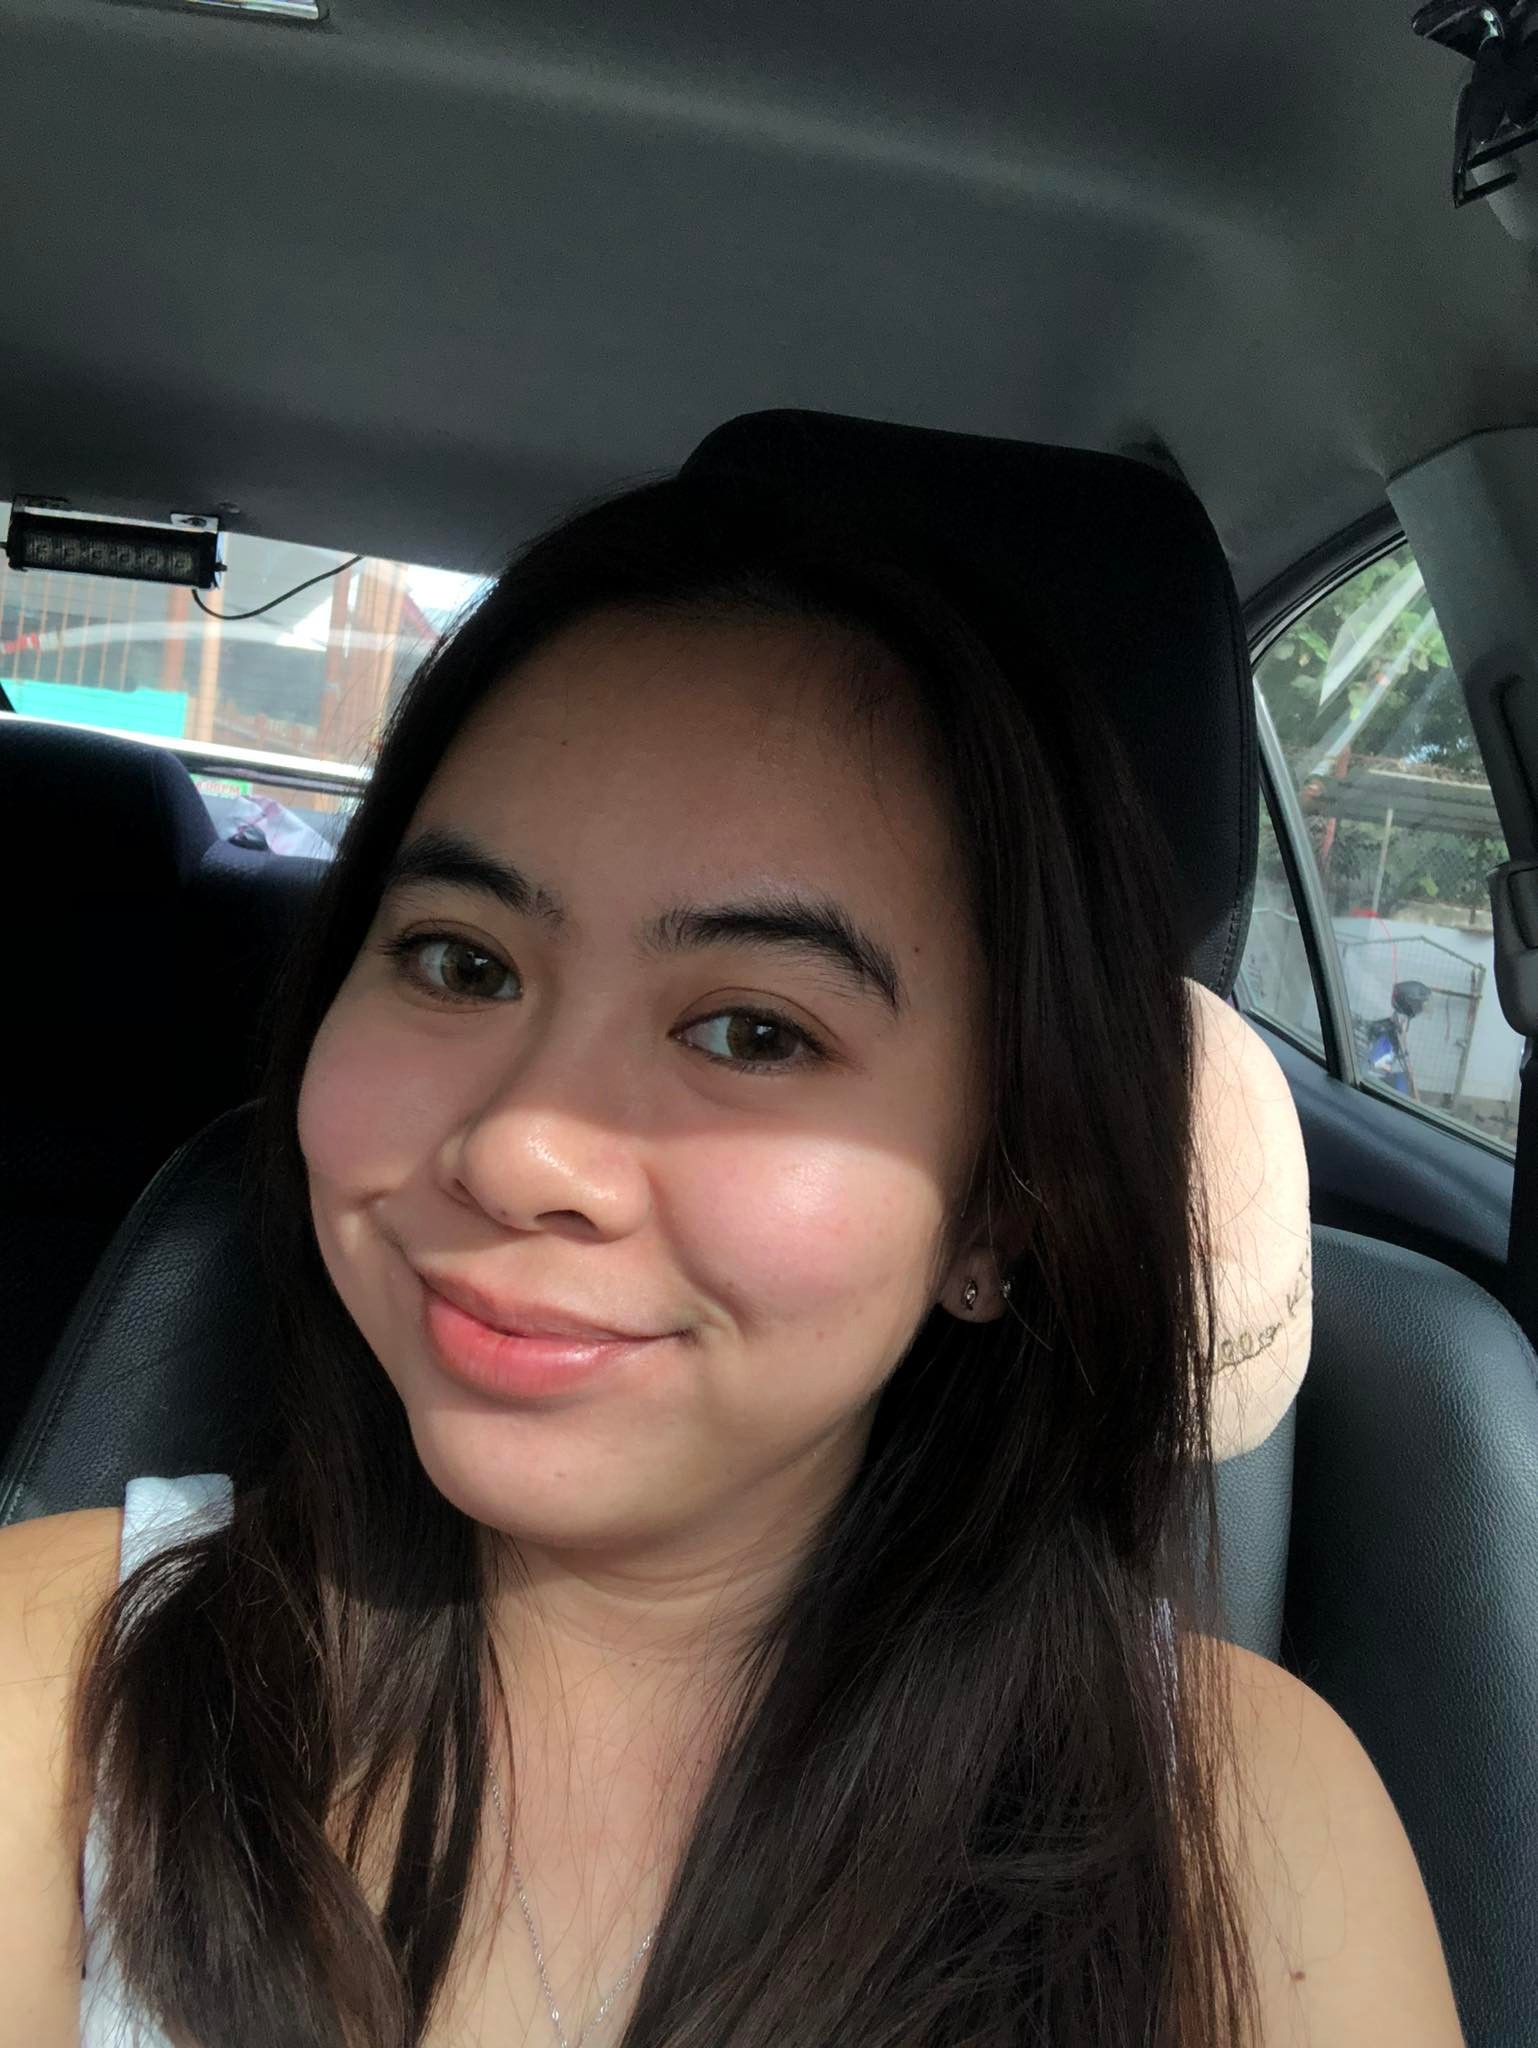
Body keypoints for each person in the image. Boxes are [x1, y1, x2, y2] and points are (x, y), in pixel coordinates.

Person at [0, 422, 1462, 2048]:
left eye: (755, 1033)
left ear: (996, 1207)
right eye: (460, 961)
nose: (522, 1150)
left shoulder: (1248, 1839)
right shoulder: (51, 1689)